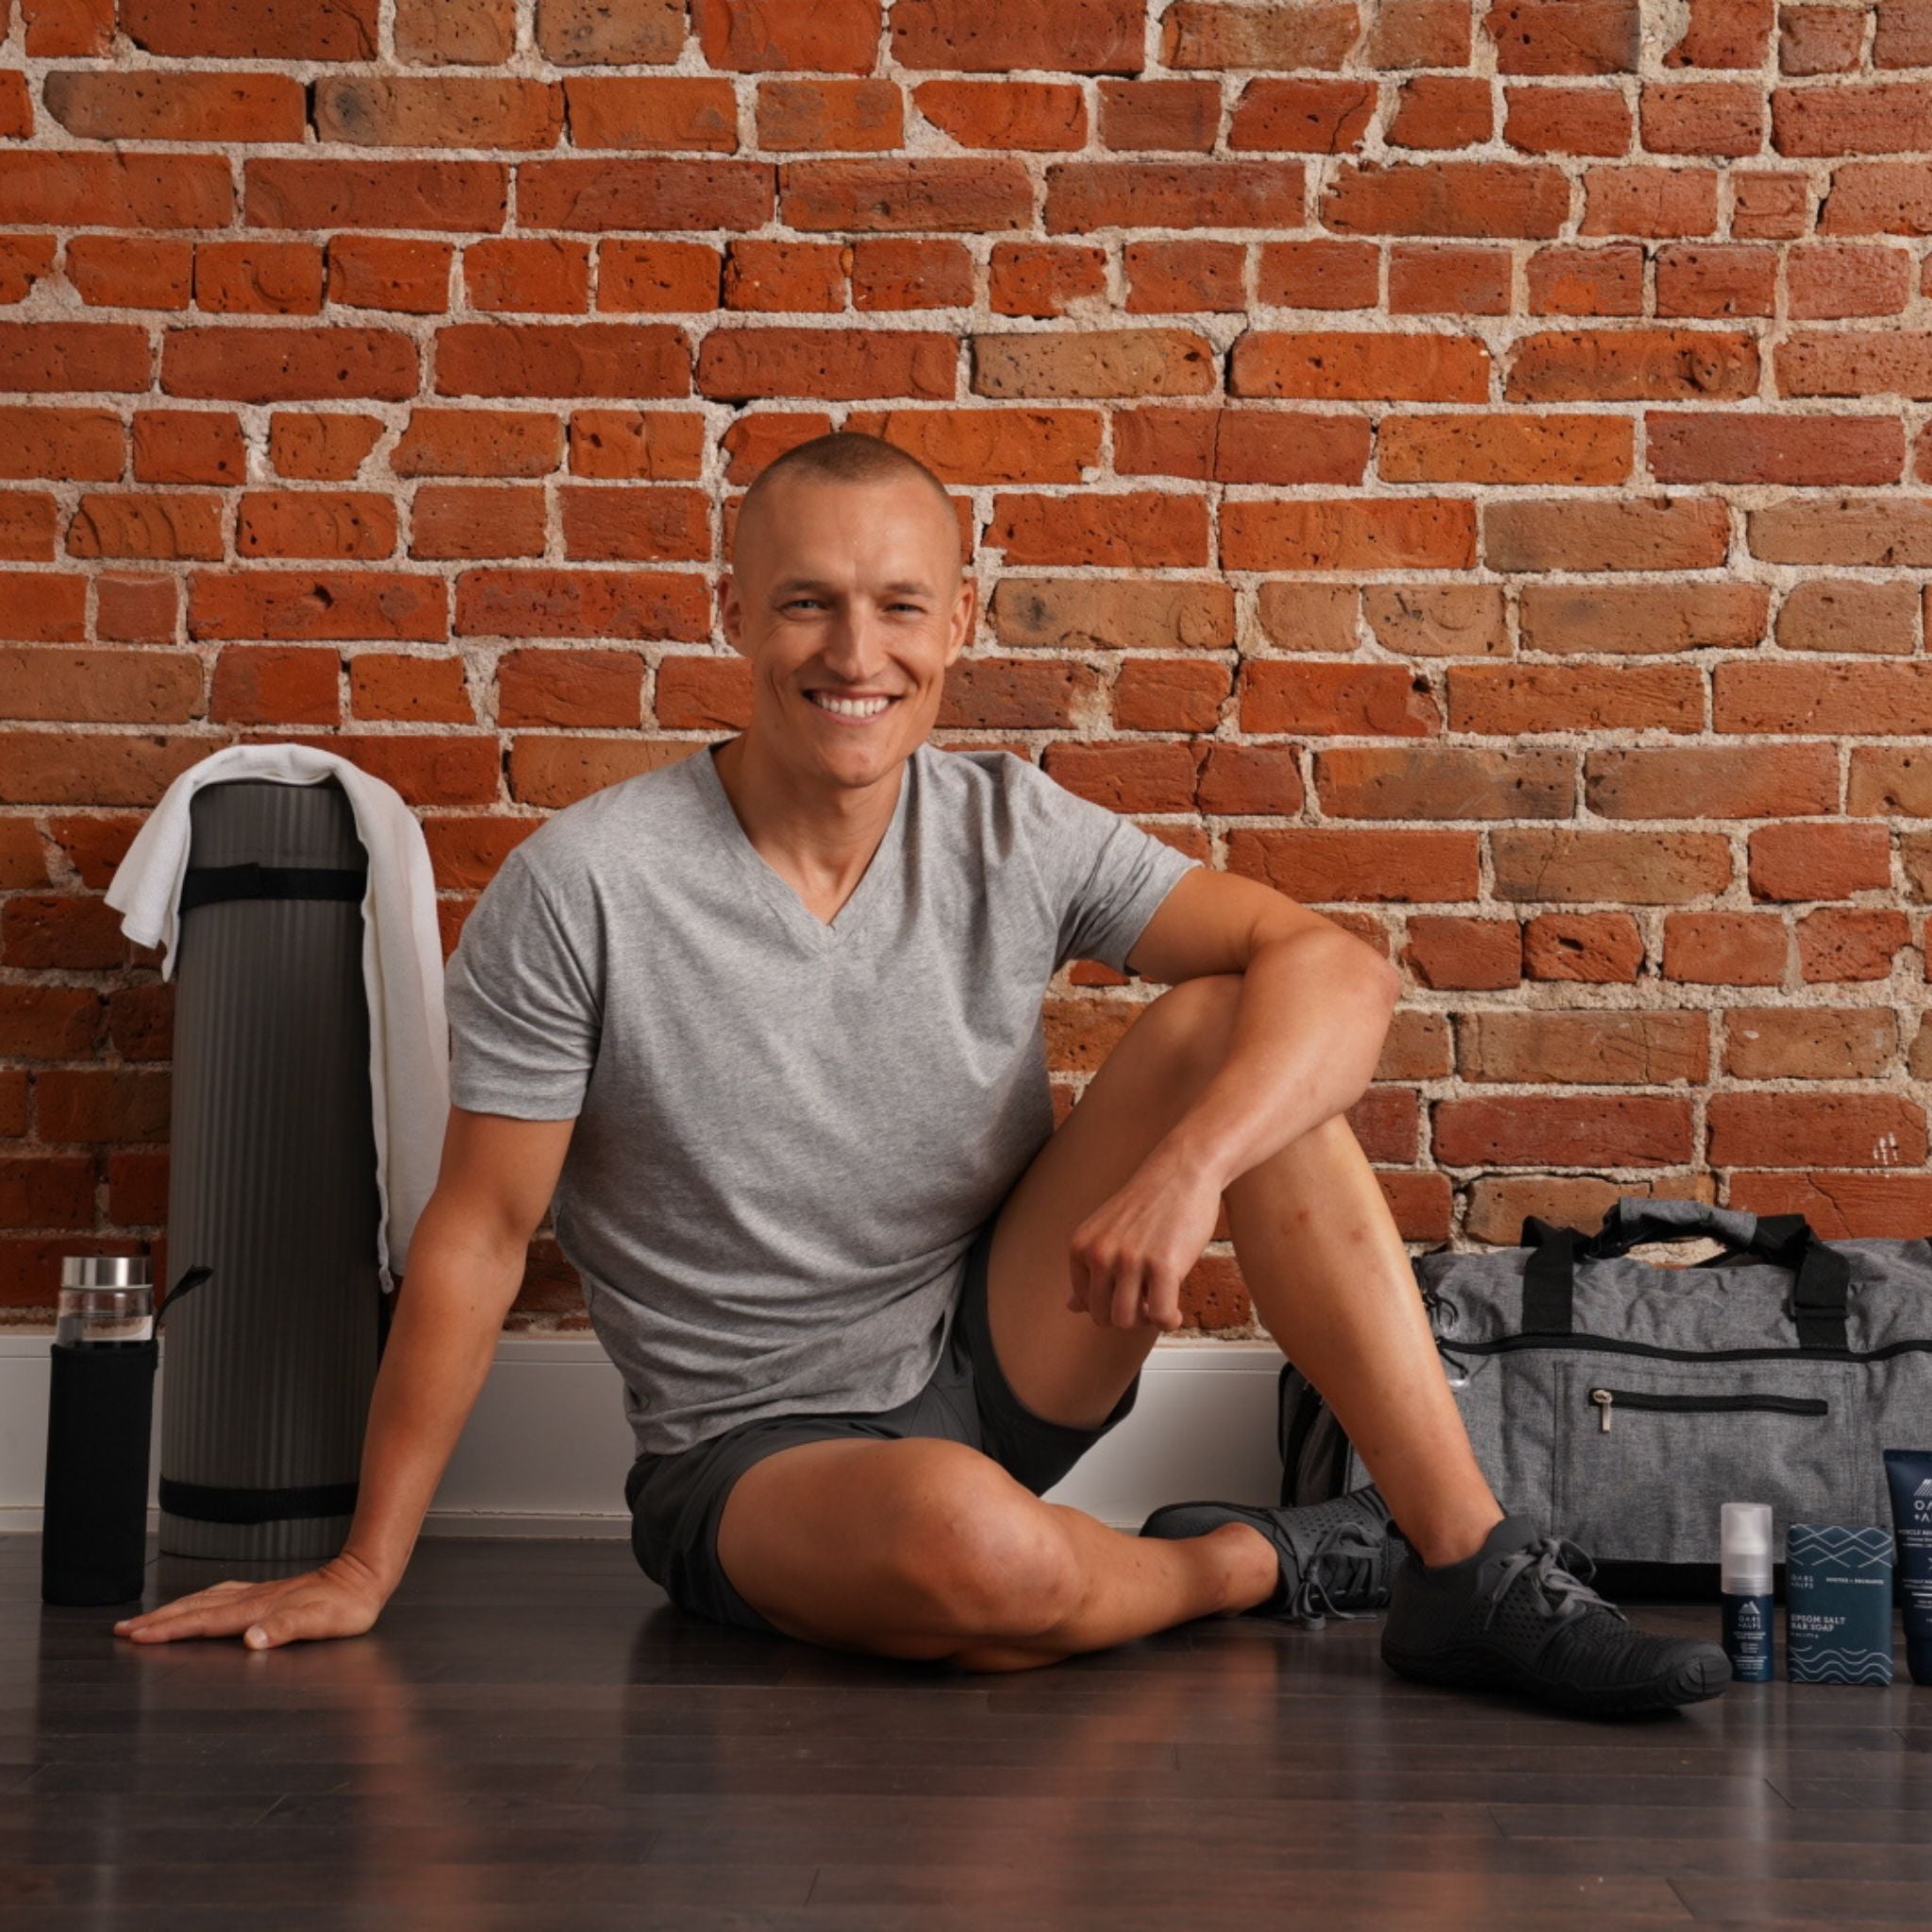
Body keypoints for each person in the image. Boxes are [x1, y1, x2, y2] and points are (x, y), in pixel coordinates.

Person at [112, 432, 1728, 1719]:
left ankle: (1462, 1562)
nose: (854, 651)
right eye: (807, 600)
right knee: (977, 1567)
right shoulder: (586, 883)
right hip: (760, 1459)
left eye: (899, 604)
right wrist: (366, 1565)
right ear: (734, 609)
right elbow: (474, 1234)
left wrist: (1181, 1175)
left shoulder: (1010, 824)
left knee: (1239, 1022)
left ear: (964, 617)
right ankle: (1258, 1563)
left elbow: (1340, 969)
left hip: (1000, 1347)